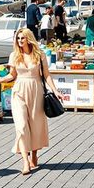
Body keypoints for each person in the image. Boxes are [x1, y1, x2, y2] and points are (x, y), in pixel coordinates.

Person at [9, 28, 57, 174]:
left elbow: (46, 75)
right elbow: (11, 75)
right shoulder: (14, 55)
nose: (20, 41)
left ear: (29, 39)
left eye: (22, 38)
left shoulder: (39, 55)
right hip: (19, 91)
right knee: (22, 126)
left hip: (36, 90)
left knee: (35, 125)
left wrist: (56, 91)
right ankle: (25, 161)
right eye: (18, 38)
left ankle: (34, 154)